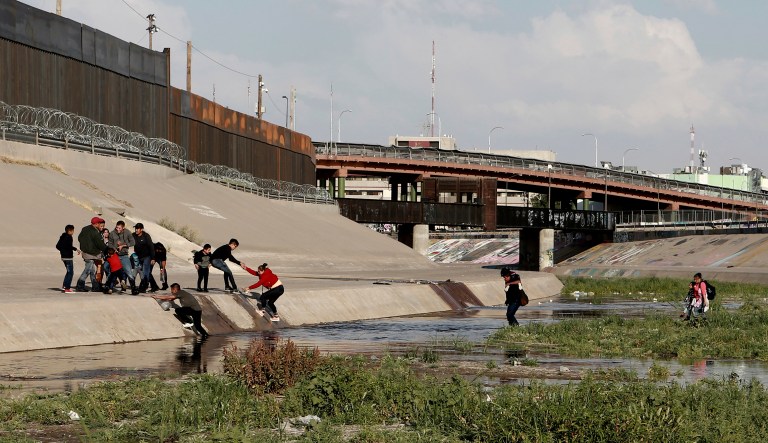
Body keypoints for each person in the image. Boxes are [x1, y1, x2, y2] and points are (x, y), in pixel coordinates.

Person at [75, 216, 107, 292]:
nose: (100, 224)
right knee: (88, 270)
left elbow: (79, 238)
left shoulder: (85, 229)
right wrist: (107, 249)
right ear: (96, 224)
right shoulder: (95, 232)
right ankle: (80, 285)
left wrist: (84, 245)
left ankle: (95, 286)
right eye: (99, 223)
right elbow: (100, 244)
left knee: (92, 270)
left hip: (85, 252)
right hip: (91, 253)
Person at [108, 221, 138, 294]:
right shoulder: (112, 233)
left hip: (124, 255)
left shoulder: (127, 232)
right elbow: (110, 244)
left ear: (123, 228)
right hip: (115, 256)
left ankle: (133, 288)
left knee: (129, 272)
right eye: (117, 227)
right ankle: (109, 287)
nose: (117, 229)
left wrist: (123, 245)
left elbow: (133, 242)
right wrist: (114, 248)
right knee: (113, 272)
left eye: (119, 228)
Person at [132, 223, 159, 293]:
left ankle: (143, 287)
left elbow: (151, 247)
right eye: (135, 228)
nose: (136, 230)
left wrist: (153, 258)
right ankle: (154, 286)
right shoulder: (133, 235)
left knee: (145, 272)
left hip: (147, 256)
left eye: (138, 229)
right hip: (139, 257)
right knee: (147, 272)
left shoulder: (146, 236)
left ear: (141, 229)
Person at [55, 224, 79, 293]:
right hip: (68, 257)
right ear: (70, 231)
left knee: (68, 272)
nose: (73, 232)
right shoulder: (69, 237)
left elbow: (58, 246)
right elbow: (69, 246)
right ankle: (67, 288)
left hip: (63, 257)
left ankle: (64, 286)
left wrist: (62, 251)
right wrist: (75, 249)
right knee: (70, 272)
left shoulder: (62, 236)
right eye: (73, 231)